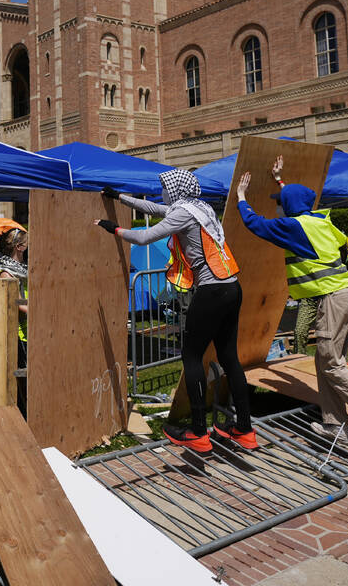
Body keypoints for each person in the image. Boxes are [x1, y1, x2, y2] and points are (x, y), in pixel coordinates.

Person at [236, 157, 348, 455]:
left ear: (287, 208)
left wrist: (240, 198)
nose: (277, 207)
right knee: (324, 362)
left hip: (332, 297)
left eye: (279, 203)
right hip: (345, 292)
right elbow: (297, 203)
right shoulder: (319, 220)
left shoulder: (293, 226)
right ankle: (336, 426)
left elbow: (256, 224)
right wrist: (280, 180)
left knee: (331, 363)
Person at [95, 171, 258, 452]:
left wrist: (113, 228)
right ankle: (244, 429)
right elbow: (155, 208)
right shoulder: (200, 206)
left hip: (212, 292)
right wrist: (119, 197)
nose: (163, 194)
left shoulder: (183, 213)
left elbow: (145, 237)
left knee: (192, 356)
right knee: (229, 357)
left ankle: (197, 432)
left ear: (176, 189)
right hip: (232, 288)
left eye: (164, 189)